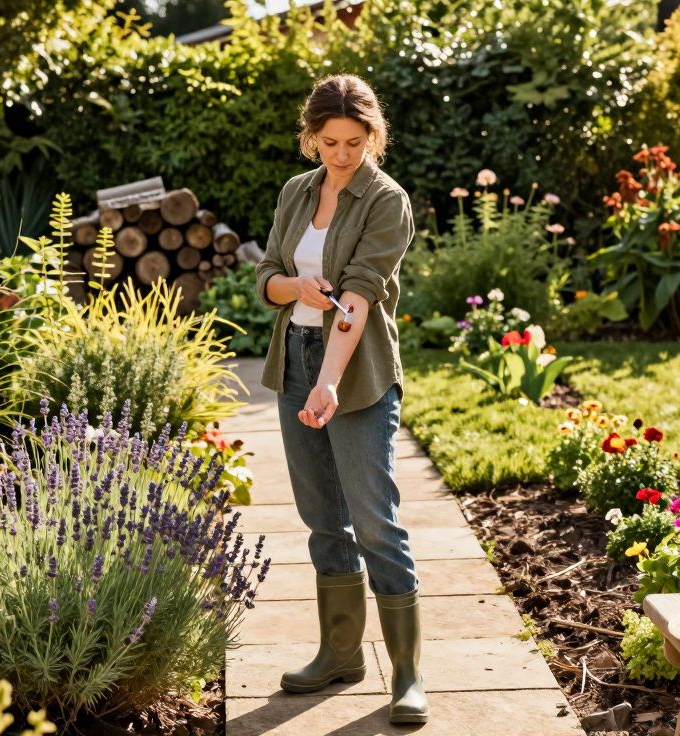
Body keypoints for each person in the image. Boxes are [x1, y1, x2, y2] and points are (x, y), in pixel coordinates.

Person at [253, 74, 426, 724]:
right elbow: (269, 273)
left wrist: (329, 380)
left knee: (375, 520)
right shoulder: (297, 191)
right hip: (294, 363)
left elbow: (358, 296)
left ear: (373, 136)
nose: (342, 155)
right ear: (312, 137)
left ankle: (408, 676)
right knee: (324, 518)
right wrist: (293, 290)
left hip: (354, 375)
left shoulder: (386, 200)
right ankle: (340, 655)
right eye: (330, 142)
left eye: (355, 142)